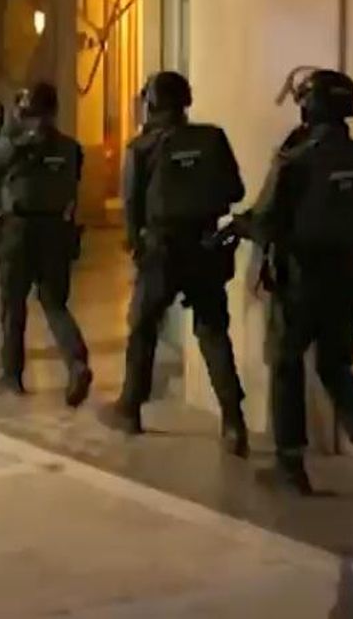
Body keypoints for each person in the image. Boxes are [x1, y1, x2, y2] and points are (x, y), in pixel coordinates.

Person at [232, 68, 353, 496]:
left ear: (309, 105)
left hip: (299, 277)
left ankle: (290, 467)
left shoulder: (296, 160)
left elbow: (266, 219)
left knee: (286, 365)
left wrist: (239, 226)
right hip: (347, 273)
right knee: (336, 366)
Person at [101, 71, 249, 456]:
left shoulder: (141, 148)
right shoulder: (213, 137)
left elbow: (131, 207)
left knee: (143, 327)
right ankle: (234, 422)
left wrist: (137, 247)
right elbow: (236, 190)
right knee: (213, 333)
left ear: (150, 103)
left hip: (162, 250)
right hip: (206, 245)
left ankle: (130, 408)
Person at [0, 81, 94, 406]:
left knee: (13, 306)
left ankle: (12, 376)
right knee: (54, 303)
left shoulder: (15, 145)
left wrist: (1, 132)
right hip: (56, 227)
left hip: (18, 230)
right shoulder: (70, 147)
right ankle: (76, 362)